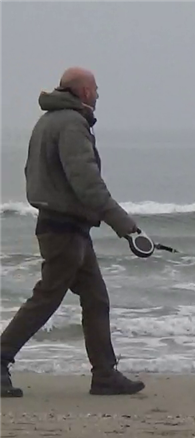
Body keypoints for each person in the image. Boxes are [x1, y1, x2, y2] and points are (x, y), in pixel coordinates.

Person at [0, 67, 146, 397]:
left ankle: (105, 374)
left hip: (66, 226)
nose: (97, 94)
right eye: (94, 88)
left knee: (95, 298)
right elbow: (87, 183)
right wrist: (126, 226)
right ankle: (0, 358)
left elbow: (34, 172)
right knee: (47, 299)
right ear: (82, 92)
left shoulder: (49, 122)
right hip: (64, 229)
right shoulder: (71, 124)